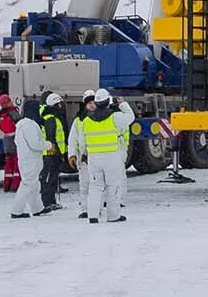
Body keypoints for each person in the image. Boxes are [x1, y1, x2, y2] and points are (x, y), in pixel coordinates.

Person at [74, 89, 137, 224]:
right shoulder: (114, 117)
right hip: (111, 157)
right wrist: (122, 104)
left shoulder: (86, 121)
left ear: (96, 102)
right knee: (112, 186)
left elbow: (81, 141)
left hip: (94, 158)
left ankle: (93, 215)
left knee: (95, 187)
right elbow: (130, 117)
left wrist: (84, 154)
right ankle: (113, 216)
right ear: (108, 102)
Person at [9, 99, 50, 219]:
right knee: (28, 185)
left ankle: (37, 208)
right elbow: (35, 144)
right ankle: (16, 211)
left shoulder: (22, 125)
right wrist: (48, 144)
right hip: (31, 160)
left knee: (34, 185)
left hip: (25, 159)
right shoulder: (30, 125)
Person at [37, 91, 68, 212]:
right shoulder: (50, 119)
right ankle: (47, 202)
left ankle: (51, 201)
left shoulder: (53, 117)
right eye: (58, 104)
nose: (61, 106)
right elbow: (51, 137)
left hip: (53, 153)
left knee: (52, 178)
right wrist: (56, 152)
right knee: (49, 178)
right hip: (51, 154)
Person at [0, 93, 21, 195]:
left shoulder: (1, 114)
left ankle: (7, 184)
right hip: (14, 139)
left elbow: (1, 127)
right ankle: (16, 185)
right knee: (16, 163)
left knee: (8, 164)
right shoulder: (12, 112)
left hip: (6, 139)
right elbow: (20, 124)